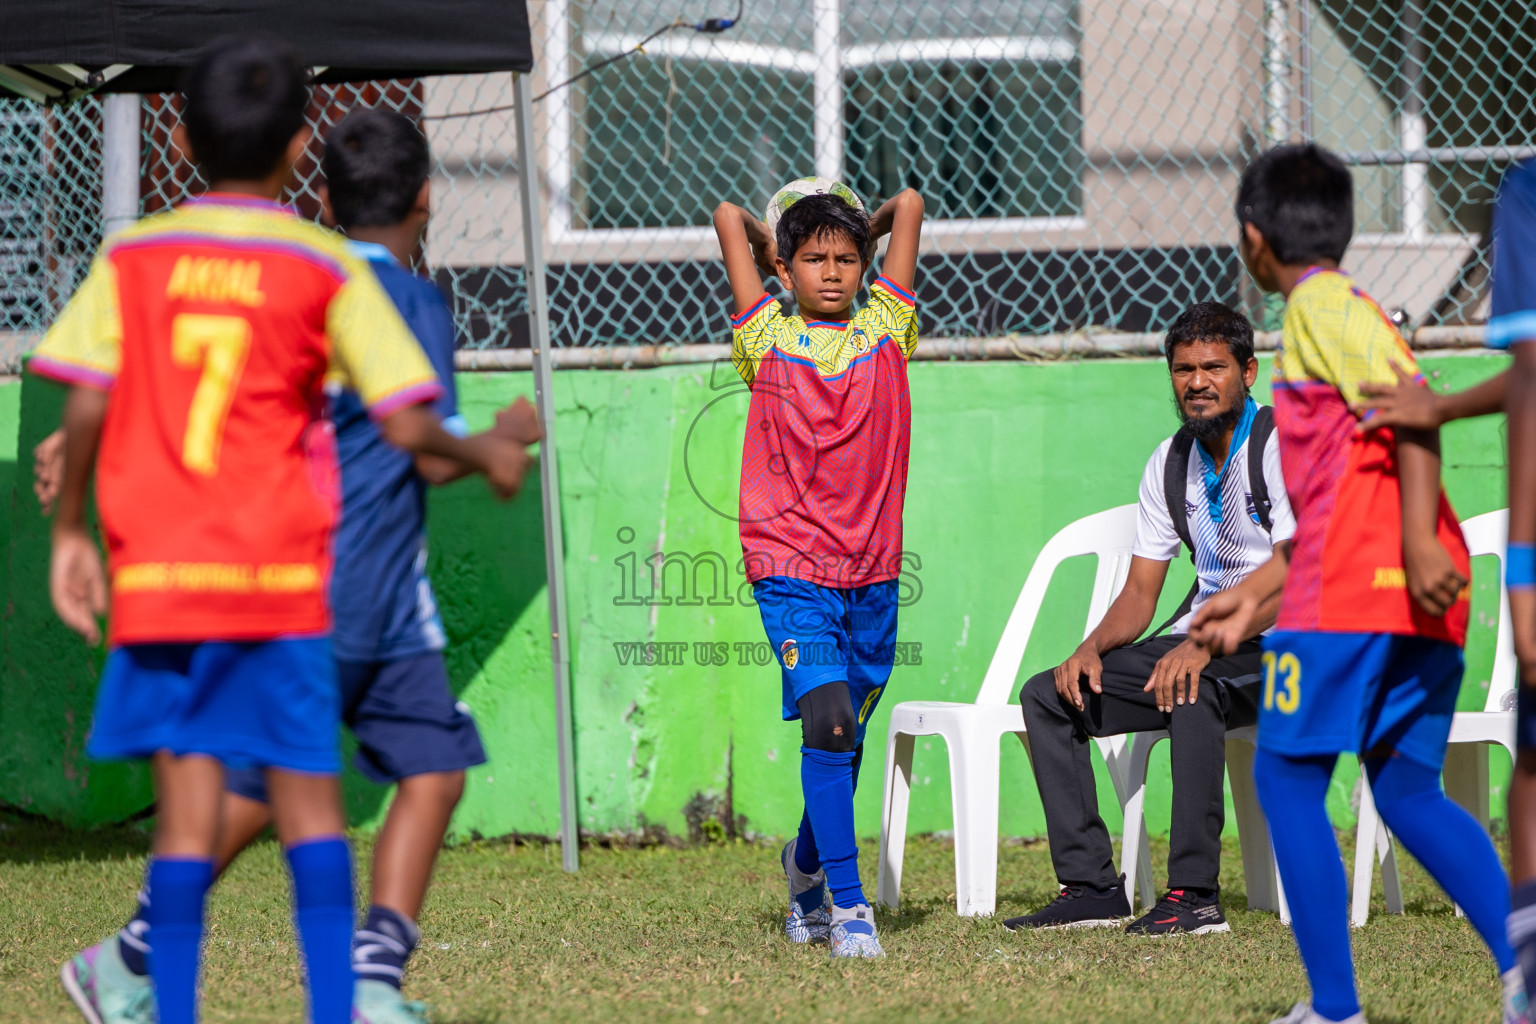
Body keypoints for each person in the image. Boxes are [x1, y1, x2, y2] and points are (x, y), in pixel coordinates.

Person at [44, 36, 528, 1024]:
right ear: (423, 196)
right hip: (319, 579)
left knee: (410, 766)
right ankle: (152, 959)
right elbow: (415, 441)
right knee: (282, 782)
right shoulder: (368, 289)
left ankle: (359, 980)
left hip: (329, 582)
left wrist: (72, 481)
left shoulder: (168, 254)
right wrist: (500, 441)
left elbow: (149, 383)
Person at [1190, 142, 1522, 1024]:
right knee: (1409, 792)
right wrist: (1253, 595)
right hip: (1398, 595)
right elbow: (1346, 492)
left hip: (1358, 593)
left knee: (1289, 783)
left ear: (1253, 240)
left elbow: (1409, 400)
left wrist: (1415, 538)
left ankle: (1334, 1008)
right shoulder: (1339, 310)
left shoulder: (1318, 309)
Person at [1005, 301, 1293, 935]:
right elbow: (1140, 593)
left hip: (1288, 648)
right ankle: (1091, 887)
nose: (1197, 382)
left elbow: (1297, 575)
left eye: (1214, 366)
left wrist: (1204, 646)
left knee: (1193, 687)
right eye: (1183, 368)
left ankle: (1193, 897)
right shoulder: (1169, 462)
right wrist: (1088, 648)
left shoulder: (1279, 445)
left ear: (1248, 371)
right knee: (1050, 695)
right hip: (1203, 645)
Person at [712, 183, 924, 958]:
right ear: (786, 266)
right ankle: (849, 907)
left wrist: (854, 224)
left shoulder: (887, 326)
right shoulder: (764, 335)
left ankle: (801, 868)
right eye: (813, 258)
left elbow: (910, 199)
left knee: (846, 738)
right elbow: (726, 219)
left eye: (845, 258)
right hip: (789, 561)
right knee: (828, 722)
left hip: (871, 571)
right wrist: (774, 240)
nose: (831, 272)